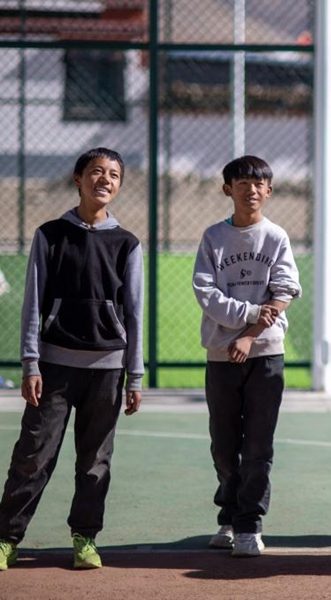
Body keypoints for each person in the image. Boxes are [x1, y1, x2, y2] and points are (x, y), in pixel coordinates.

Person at [0, 148, 144, 571]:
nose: (105, 179)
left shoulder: (127, 243)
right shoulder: (49, 234)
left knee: (95, 460)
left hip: (107, 370)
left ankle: (85, 539)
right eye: (96, 172)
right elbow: (32, 306)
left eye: (114, 174)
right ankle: (6, 539)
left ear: (118, 185)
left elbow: (134, 313)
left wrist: (134, 376)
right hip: (55, 368)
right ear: (78, 179)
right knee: (33, 456)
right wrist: (31, 363)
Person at [192, 155, 301, 558]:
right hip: (221, 356)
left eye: (259, 184)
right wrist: (252, 315)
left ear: (268, 191)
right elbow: (207, 295)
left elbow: (285, 290)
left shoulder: (276, 237)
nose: (251, 190)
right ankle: (229, 515)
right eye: (242, 183)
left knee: (258, 444)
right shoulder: (213, 238)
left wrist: (251, 336)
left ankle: (249, 524)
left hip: (265, 354)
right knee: (223, 443)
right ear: (228, 189)